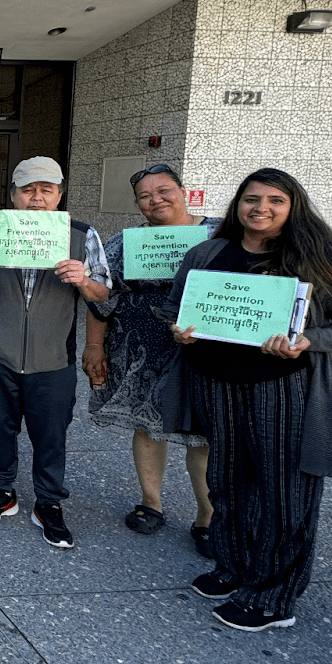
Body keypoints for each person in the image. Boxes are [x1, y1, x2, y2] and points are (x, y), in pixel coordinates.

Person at [166, 168, 332, 632]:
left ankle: (273, 597)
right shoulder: (207, 253)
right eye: (251, 198)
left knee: (283, 492)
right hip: (217, 384)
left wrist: (307, 340)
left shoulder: (323, 260)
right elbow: (179, 309)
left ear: (293, 206)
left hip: (286, 390)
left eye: (274, 200)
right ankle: (237, 567)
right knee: (227, 480)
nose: (260, 208)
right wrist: (180, 332)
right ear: (237, 204)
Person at [0, 156, 110, 550]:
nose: (37, 199)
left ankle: (48, 503)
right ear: (13, 196)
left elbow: (104, 294)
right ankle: (1, 490)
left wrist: (84, 281)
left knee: (51, 435)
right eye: (28, 190)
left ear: (59, 195)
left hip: (53, 357)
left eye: (46, 190)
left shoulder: (80, 234)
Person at [83, 164, 221, 555]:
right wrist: (94, 347)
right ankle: (151, 502)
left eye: (163, 190)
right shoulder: (125, 243)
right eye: (145, 195)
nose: (155, 199)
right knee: (146, 426)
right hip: (138, 349)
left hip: (201, 350)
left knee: (203, 434)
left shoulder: (219, 234)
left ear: (183, 190)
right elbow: (101, 299)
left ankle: (208, 515)